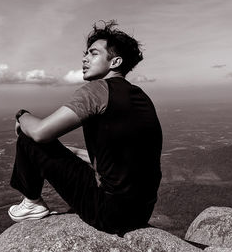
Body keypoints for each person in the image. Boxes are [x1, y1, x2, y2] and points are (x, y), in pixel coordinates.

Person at [9, 20, 162, 236]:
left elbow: (40, 132)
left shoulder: (97, 90)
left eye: (93, 53)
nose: (85, 58)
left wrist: (21, 116)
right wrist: (68, 153)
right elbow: (122, 161)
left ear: (115, 61)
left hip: (108, 213)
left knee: (29, 138)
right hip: (140, 211)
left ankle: (32, 203)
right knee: (58, 148)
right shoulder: (141, 97)